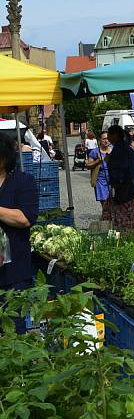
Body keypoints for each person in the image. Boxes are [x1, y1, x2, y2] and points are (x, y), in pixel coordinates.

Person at [0, 134, 39, 333]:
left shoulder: (23, 182)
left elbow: (25, 218)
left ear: (5, 157)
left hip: (13, 269)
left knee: (12, 327)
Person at [102, 125, 134, 233]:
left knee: (122, 212)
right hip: (125, 186)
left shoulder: (121, 148)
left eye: (109, 134)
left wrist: (110, 162)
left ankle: (124, 232)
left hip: (122, 187)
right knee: (126, 212)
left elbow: (123, 168)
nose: (108, 137)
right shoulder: (123, 147)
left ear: (115, 135)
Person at [85, 130, 111, 209]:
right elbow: (88, 165)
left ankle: (110, 214)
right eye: (104, 139)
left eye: (108, 138)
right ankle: (106, 214)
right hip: (100, 177)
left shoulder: (113, 150)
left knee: (113, 197)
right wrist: (97, 161)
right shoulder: (94, 152)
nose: (106, 140)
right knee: (103, 198)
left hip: (112, 177)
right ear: (99, 140)